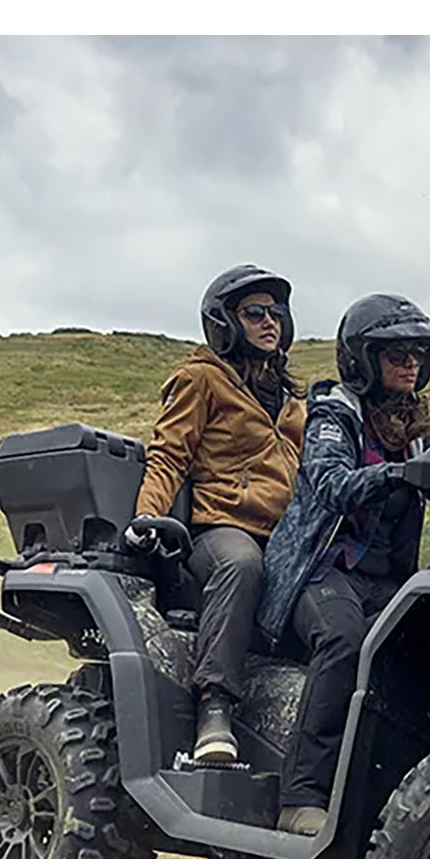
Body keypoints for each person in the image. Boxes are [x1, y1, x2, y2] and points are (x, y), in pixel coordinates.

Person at [257, 294, 430, 835]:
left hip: (386, 582)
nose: (411, 363)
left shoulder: (415, 427)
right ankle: (300, 797)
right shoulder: (332, 414)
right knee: (344, 642)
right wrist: (401, 475)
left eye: (418, 353)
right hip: (319, 573)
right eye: (397, 354)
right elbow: (334, 484)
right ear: (364, 360)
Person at [127, 264, 306, 765]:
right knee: (241, 563)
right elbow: (168, 455)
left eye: (276, 313)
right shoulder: (201, 378)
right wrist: (146, 519)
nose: (270, 322)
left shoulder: (295, 400)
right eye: (254, 313)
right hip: (218, 531)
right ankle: (215, 709)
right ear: (224, 322)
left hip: (286, 540)